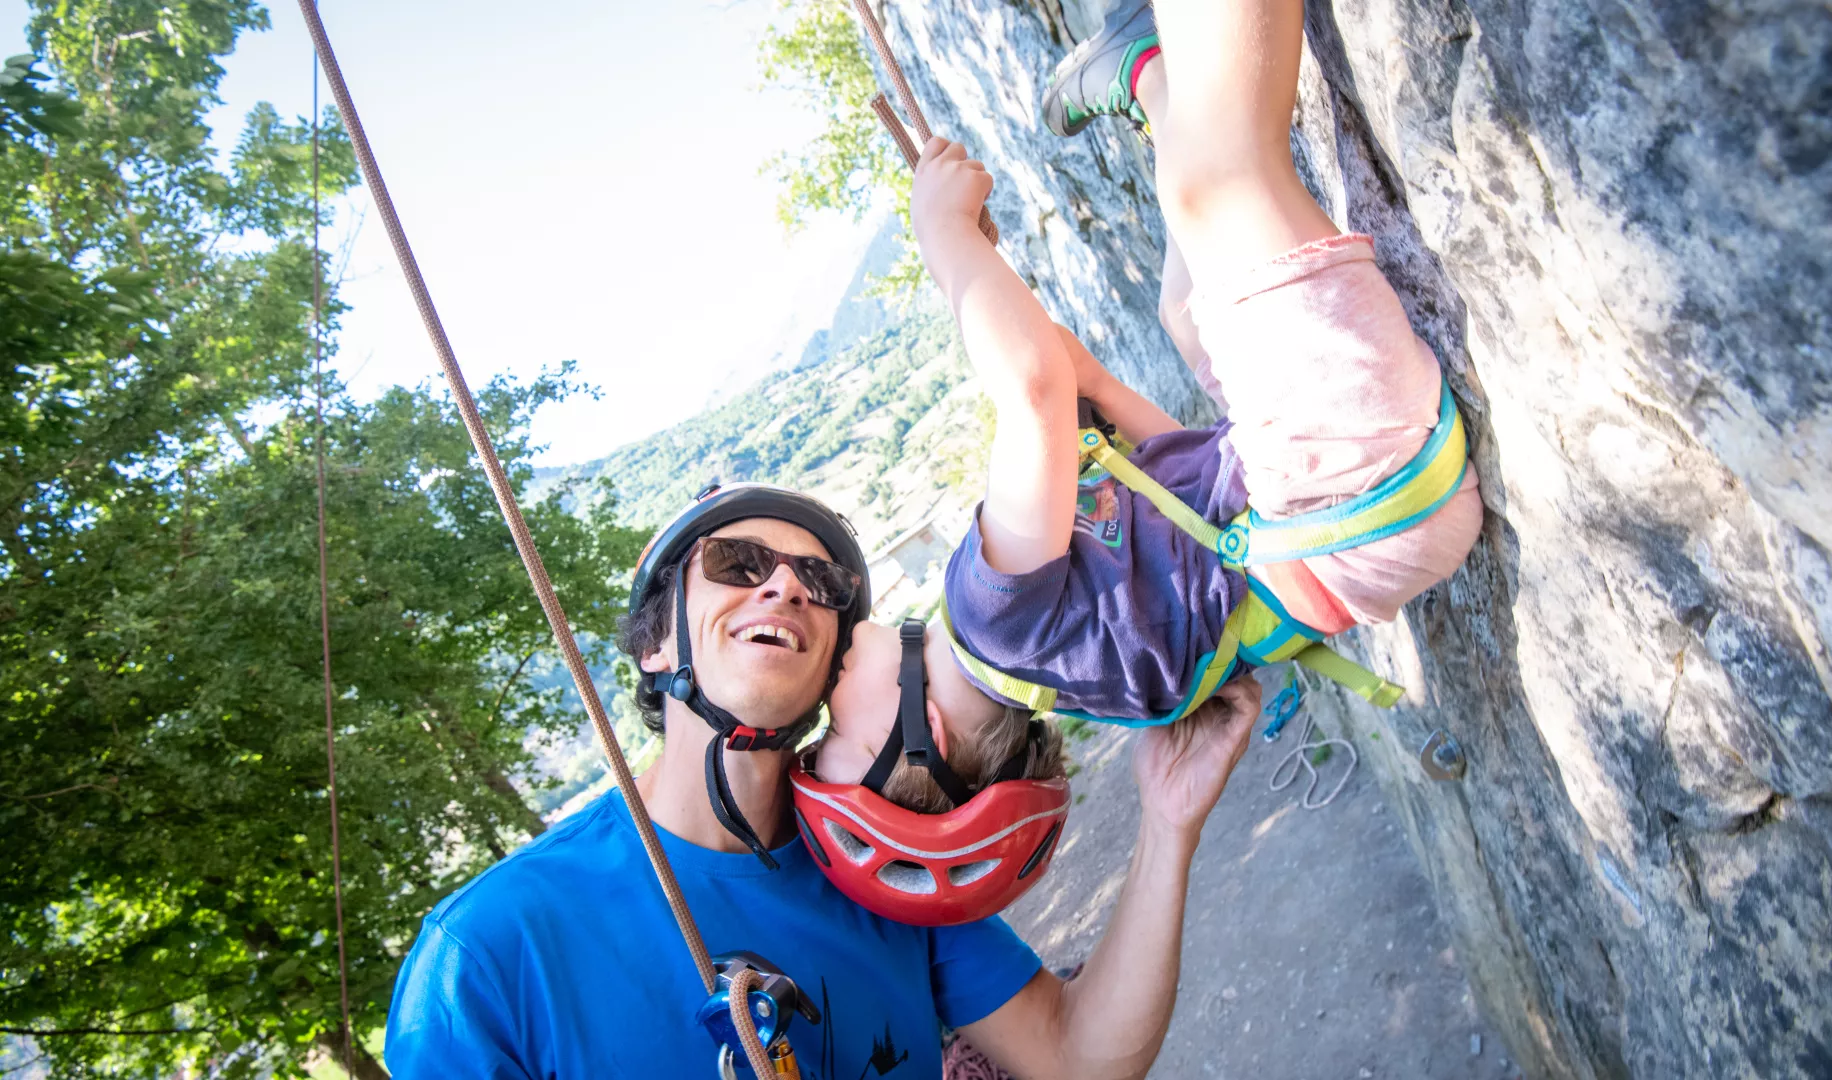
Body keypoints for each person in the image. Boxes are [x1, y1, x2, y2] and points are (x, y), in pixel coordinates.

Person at [812, 0, 1484, 805]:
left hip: (1351, 530)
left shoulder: (1074, 679)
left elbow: (1187, 510)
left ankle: (1153, 75)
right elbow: (1030, 387)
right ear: (924, 738)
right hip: (1343, 478)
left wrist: (1095, 386)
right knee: (1219, 179)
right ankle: (1197, 50)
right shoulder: (987, 621)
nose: (823, 705)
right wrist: (943, 233)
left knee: (1183, 308)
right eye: (836, 737)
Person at [383, 481, 1263, 1079]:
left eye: (821, 581)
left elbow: (1080, 1057)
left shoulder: (876, 873)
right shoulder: (488, 959)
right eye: (736, 565)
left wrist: (1169, 825)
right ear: (657, 646)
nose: (785, 589)